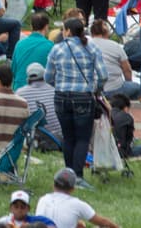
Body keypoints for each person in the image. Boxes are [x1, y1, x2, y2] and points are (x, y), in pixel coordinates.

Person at [45, 18, 106, 184]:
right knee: (82, 138)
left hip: (61, 96)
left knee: (68, 136)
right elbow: (103, 75)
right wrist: (96, 88)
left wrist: (59, 85)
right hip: (83, 97)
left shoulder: (56, 49)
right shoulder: (91, 47)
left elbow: (48, 76)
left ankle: (68, 174)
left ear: (68, 31)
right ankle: (78, 175)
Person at [34, 168, 121, 228]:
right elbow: (104, 223)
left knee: (80, 225)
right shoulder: (77, 204)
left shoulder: (43, 200)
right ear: (72, 189)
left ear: (53, 185)